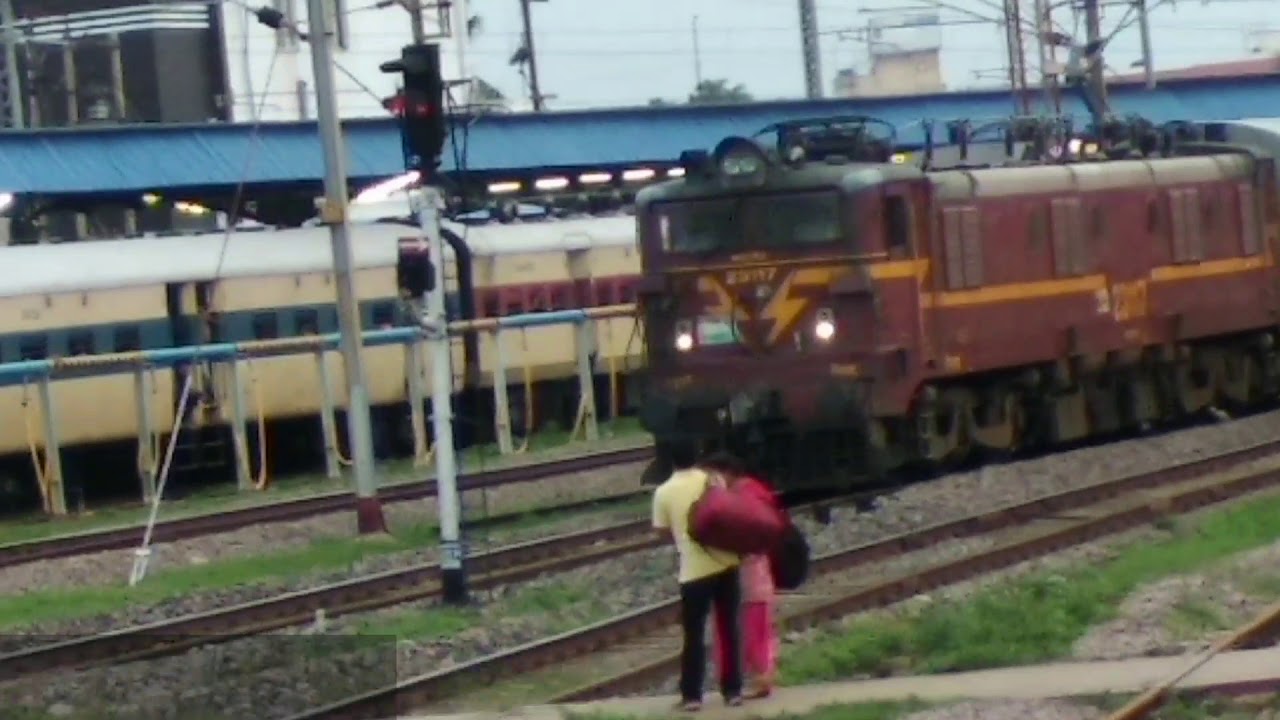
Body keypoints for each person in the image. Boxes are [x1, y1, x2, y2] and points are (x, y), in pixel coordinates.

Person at [651, 440, 744, 711]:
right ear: (697, 458)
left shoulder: (664, 492)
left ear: (671, 460)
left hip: (693, 572)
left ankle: (692, 696)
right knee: (728, 628)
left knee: (693, 634)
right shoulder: (712, 480)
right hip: (727, 564)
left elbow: (661, 531)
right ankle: (733, 690)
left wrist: (682, 536)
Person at [702, 452, 783, 700]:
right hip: (749, 574)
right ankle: (757, 677)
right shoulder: (753, 492)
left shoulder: (742, 496)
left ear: (725, 472)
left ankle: (761, 678)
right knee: (752, 627)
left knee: (753, 629)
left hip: (749, 574)